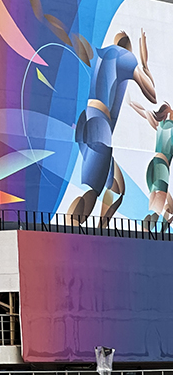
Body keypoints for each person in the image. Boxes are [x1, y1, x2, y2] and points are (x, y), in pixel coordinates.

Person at [67, 30, 156, 228]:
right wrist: (145, 64)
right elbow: (152, 94)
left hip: (87, 120)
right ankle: (69, 228)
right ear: (128, 46)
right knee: (93, 189)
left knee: (117, 188)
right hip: (101, 126)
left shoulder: (100, 54)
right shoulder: (125, 57)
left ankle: (101, 229)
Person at [129, 100, 173, 230]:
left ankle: (144, 231)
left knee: (153, 205)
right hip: (162, 167)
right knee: (157, 210)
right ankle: (145, 232)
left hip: (152, 165)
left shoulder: (160, 125)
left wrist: (131, 103)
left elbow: (145, 113)